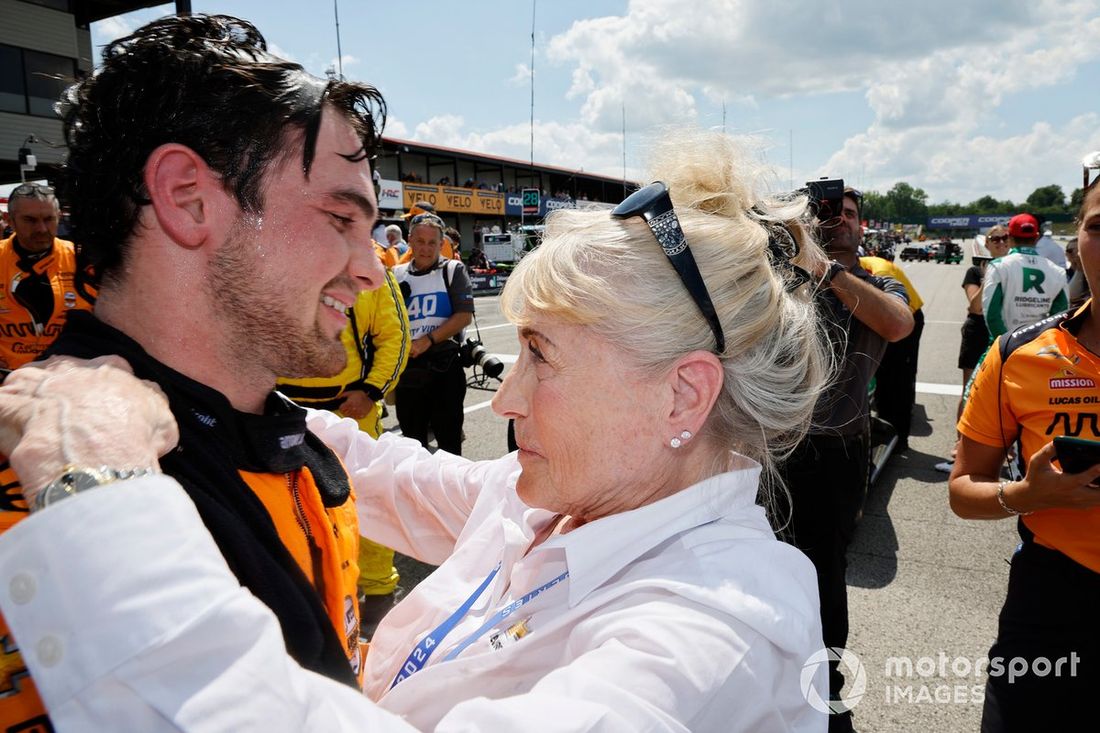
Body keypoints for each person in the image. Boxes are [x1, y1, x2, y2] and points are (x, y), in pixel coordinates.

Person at [0, 131, 833, 732]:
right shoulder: (559, 498)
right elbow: (378, 468)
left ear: (683, 397)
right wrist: (211, 374)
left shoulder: (721, 631)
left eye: (540, 355)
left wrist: (97, 497)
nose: (505, 399)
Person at [0, 15, 390, 730]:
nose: (371, 269)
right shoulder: (28, 499)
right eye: (341, 219)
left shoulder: (304, 458)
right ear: (186, 198)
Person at [948, 160, 1100, 731]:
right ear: (1074, 243)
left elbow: (984, 306)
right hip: (1054, 592)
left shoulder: (1004, 267)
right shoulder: (1019, 354)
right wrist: (1029, 494)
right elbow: (964, 491)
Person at [776, 186, 913, 733]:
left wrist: (825, 268)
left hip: (833, 452)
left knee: (823, 573)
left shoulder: (875, 283)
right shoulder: (783, 283)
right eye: (826, 215)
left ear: (863, 228)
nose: (840, 223)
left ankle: (826, 693)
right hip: (771, 452)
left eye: (849, 216)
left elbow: (897, 324)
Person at [277, 270, 412, 632]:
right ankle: (312, 594)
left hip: (351, 411)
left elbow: (394, 337)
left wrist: (370, 391)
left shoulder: (371, 272)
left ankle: (380, 591)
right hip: (279, 411)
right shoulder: (277, 251)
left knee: (368, 502)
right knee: (288, 508)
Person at [392, 211, 474, 455]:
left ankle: (450, 493)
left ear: (441, 244)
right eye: (419, 241)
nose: (425, 248)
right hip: (409, 370)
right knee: (412, 447)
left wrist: (427, 341)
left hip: (444, 368)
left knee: (449, 447)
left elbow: (463, 315)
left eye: (432, 243)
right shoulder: (396, 274)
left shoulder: (452, 270)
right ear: (410, 241)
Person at [935, 225, 1012, 473]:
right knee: (970, 391)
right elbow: (975, 307)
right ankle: (962, 448)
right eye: (995, 238)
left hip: (1007, 336)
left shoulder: (1015, 269)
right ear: (986, 244)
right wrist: (989, 275)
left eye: (1005, 238)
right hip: (978, 332)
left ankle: (1009, 452)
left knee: (1008, 395)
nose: (1000, 242)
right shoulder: (974, 271)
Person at [0, 183, 93, 380]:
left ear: (59, 216)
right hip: (8, 383)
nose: (41, 228)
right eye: (30, 220)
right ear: (9, 220)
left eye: (49, 219)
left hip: (69, 381)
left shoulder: (83, 260)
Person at [860, 255, 925, 451]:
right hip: (880, 317)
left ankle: (900, 437)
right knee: (881, 374)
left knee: (898, 378)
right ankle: (883, 423)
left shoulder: (879, 271)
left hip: (905, 317)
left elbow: (890, 312)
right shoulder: (859, 266)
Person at [982, 213, 1069, 338]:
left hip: (1005, 347)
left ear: (1010, 237)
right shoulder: (1058, 272)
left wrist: (1007, 345)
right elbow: (1059, 318)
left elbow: (992, 315)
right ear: (1037, 237)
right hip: (1039, 349)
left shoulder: (999, 266)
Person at [1065, 237, 1090, 309]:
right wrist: (1079, 269)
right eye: (1070, 251)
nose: (1076, 254)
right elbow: (1070, 296)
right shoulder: (1062, 274)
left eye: (1079, 250)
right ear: (1067, 254)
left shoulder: (1092, 275)